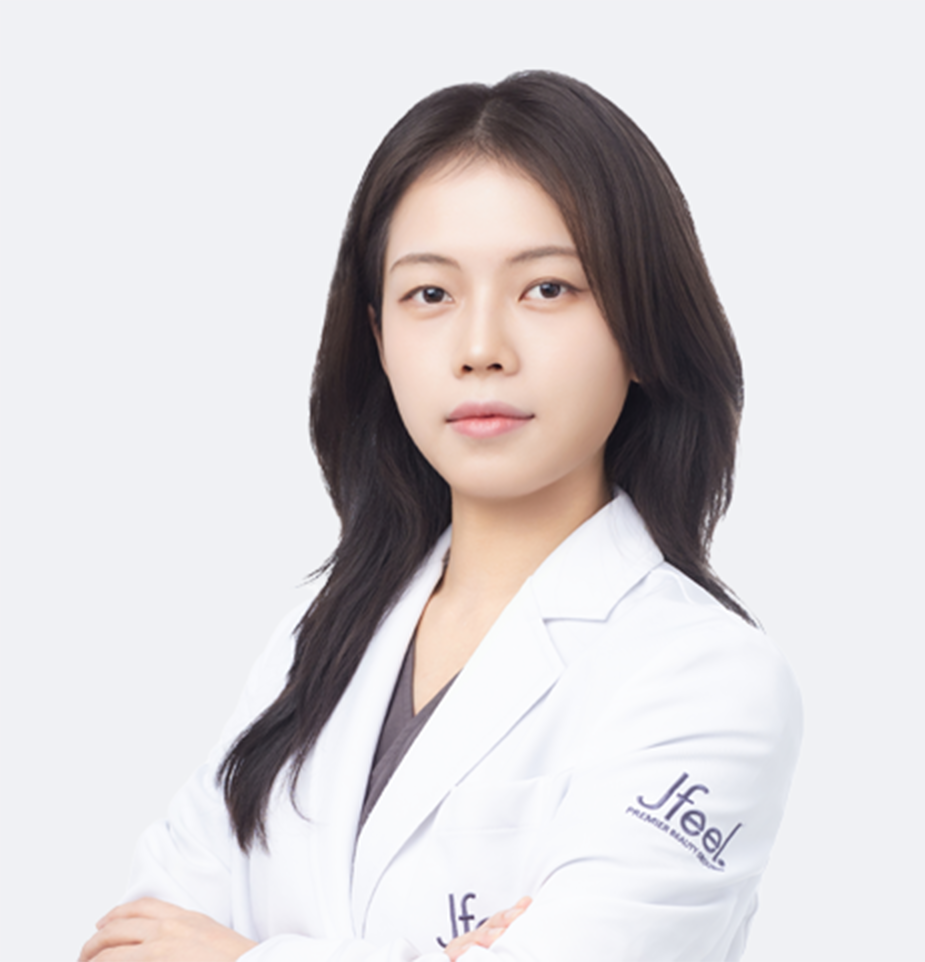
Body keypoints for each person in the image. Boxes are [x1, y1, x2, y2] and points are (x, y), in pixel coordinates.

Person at [79, 71, 802, 962]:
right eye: (430, 294)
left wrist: (238, 954)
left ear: (643, 329)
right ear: (378, 337)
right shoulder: (320, 637)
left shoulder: (708, 676)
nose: (480, 349)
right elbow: (128, 942)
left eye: (548, 289)